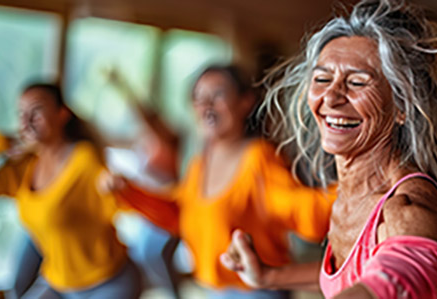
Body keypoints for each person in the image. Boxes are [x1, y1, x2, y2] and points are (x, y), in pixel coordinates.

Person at [219, 1, 437, 298]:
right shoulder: (348, 195)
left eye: (357, 82)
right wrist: (269, 276)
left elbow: (391, 283)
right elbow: (357, 274)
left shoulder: (407, 210)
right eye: (322, 79)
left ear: (401, 106)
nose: (331, 97)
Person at [100, 65, 335, 298]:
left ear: (245, 102)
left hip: (256, 292)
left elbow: (303, 210)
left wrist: (350, 190)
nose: (206, 106)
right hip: (215, 290)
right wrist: (129, 193)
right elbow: (180, 215)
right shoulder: (200, 162)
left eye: (218, 95)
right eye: (198, 98)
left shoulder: (258, 159)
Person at [0, 83, 141, 298]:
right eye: (21, 113)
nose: (26, 121)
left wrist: (111, 185)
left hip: (107, 283)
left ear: (62, 114)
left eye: (37, 111)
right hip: (58, 284)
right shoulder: (24, 168)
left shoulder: (83, 159)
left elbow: (108, 190)